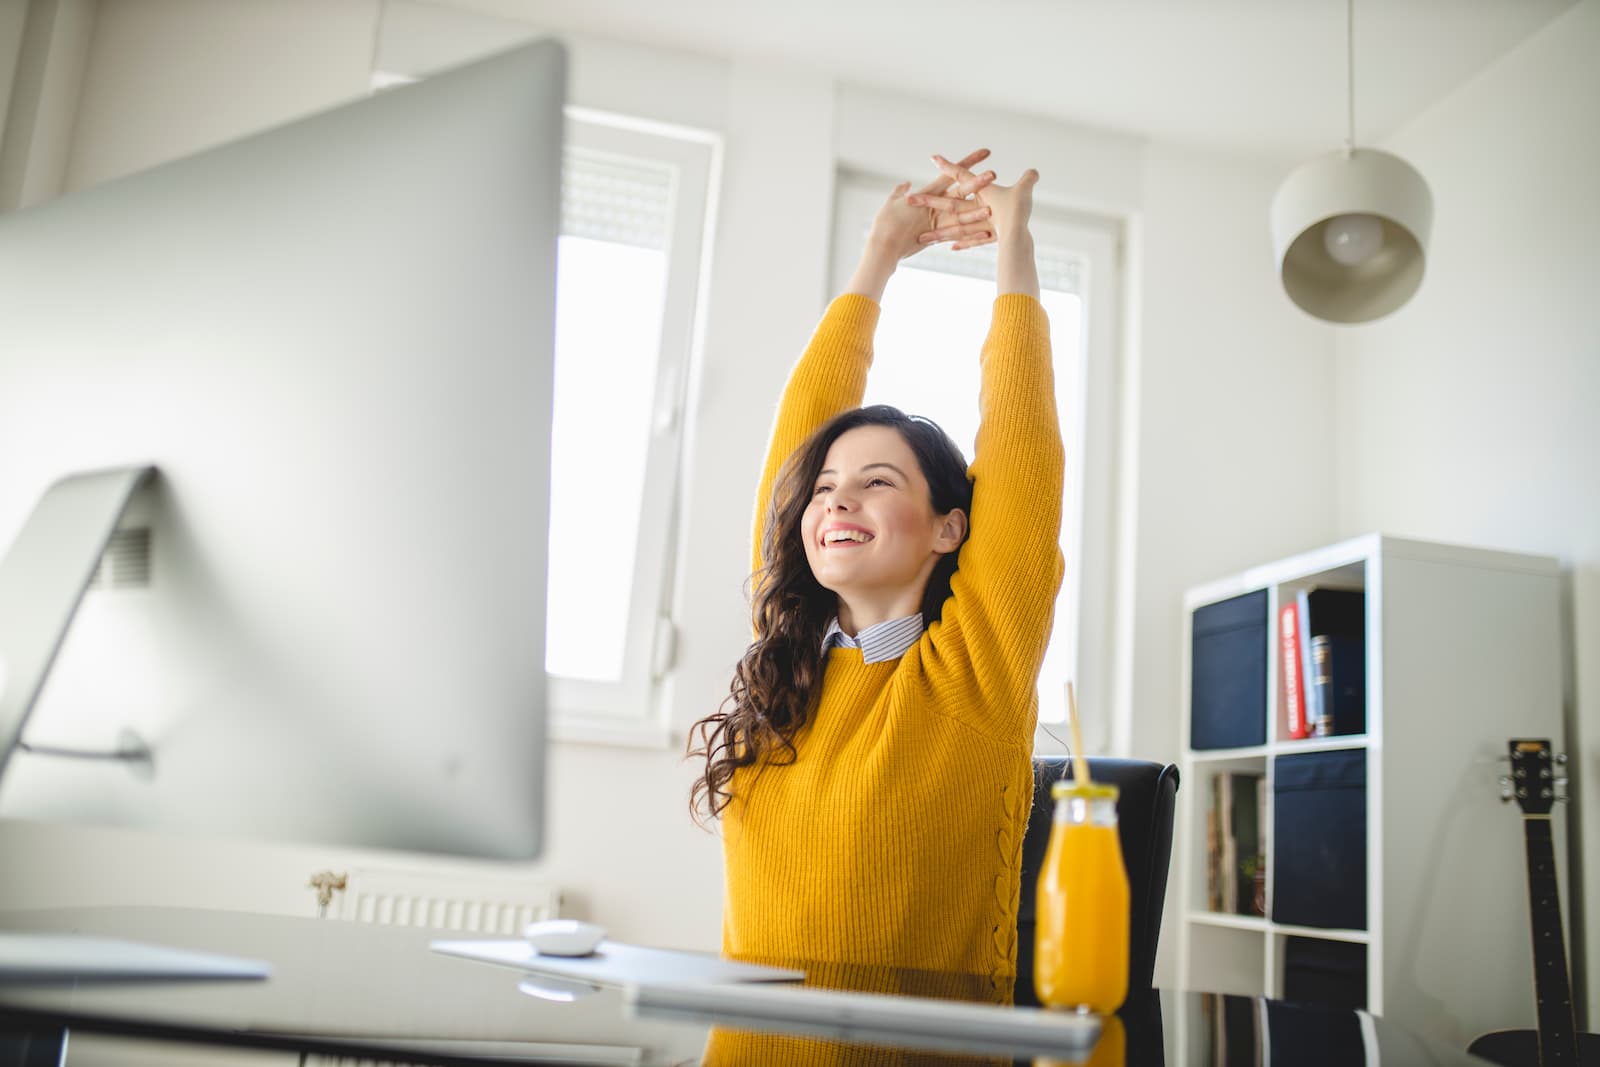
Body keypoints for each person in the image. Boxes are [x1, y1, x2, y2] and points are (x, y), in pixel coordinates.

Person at [688, 148, 1064, 1001]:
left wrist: (1014, 245)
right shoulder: (785, 661)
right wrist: (877, 257)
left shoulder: (975, 670)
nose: (835, 502)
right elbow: (799, 444)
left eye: (876, 482)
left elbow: (1024, 454)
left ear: (949, 527)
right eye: (824, 490)